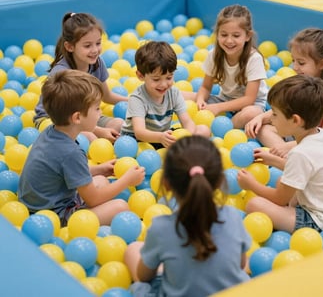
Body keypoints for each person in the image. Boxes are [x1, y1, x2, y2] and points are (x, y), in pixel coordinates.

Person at [124, 135, 251, 296]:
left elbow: (144, 276)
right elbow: (240, 264)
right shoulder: (232, 216)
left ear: (166, 184)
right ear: (219, 181)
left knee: (133, 251)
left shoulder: (161, 228)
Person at [18, 70, 145, 226]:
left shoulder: (51, 132)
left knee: (101, 180)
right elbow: (93, 199)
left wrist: (100, 169)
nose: (100, 113)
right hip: (52, 217)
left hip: (35, 205)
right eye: (97, 108)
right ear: (77, 117)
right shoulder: (70, 152)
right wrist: (126, 180)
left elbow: (62, 173)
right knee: (120, 207)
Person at [238, 75, 323, 233]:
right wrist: (273, 161)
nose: (272, 119)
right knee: (284, 181)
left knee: (255, 205)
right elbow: (309, 169)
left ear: (296, 121)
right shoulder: (321, 135)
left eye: (275, 114)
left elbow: (279, 198)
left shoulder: (300, 153)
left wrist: (251, 184)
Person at [245, 27, 323, 161]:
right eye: (293, 61)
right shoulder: (304, 82)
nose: (295, 67)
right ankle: (288, 158)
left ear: (322, 64)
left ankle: (288, 157)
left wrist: (291, 145)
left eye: (301, 63)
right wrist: (261, 118)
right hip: (304, 134)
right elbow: (285, 109)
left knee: (318, 158)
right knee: (263, 129)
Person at [34, 12, 128, 143]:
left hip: (84, 116)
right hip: (54, 120)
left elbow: (107, 96)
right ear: (70, 46)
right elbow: (66, 117)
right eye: (87, 45)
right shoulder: (62, 74)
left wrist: (135, 101)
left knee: (119, 124)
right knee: (89, 137)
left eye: (98, 43)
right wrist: (99, 131)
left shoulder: (96, 63)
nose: (95, 50)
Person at [183, 4, 268, 129]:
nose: (229, 41)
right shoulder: (214, 55)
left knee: (251, 113)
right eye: (224, 35)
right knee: (177, 95)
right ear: (217, 34)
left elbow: (249, 99)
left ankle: (224, 127)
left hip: (249, 105)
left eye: (236, 35)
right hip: (225, 100)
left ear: (248, 36)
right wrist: (201, 99)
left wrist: (217, 108)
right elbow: (206, 87)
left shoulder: (254, 59)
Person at [120, 40, 211, 148]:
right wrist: (160, 138)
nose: (163, 84)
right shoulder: (137, 98)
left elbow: (187, 122)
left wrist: (187, 137)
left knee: (203, 130)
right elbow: (140, 132)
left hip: (163, 136)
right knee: (134, 148)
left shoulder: (174, 93)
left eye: (169, 77)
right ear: (141, 76)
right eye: (156, 79)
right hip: (138, 141)